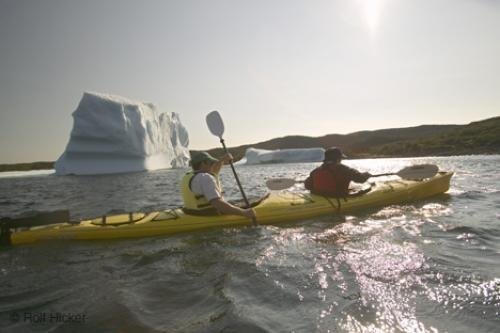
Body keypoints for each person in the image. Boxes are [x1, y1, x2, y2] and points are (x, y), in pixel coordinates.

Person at [181, 151, 256, 219]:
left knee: (236, 203)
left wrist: (222, 159)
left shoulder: (188, 176)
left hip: (191, 212)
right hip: (207, 214)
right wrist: (244, 213)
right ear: (203, 163)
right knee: (245, 205)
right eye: (210, 162)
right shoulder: (205, 178)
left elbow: (214, 171)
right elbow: (217, 204)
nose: (212, 165)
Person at [305, 147, 372, 197]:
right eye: (341, 158)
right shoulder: (344, 169)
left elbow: (307, 185)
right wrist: (366, 175)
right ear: (338, 159)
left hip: (319, 195)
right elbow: (360, 179)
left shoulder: (316, 170)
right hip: (335, 197)